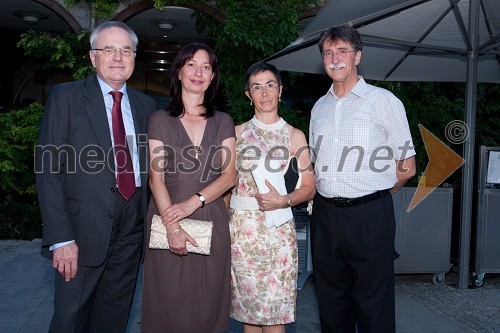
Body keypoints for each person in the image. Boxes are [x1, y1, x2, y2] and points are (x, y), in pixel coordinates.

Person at [35, 21, 156, 333]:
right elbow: (49, 170)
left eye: (125, 50)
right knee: (70, 319)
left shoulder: (145, 105)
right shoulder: (67, 96)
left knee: (114, 316)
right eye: (108, 49)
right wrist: (61, 238)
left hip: (132, 229)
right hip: (81, 229)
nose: (117, 57)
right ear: (92, 57)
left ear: (134, 56)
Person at [309, 25, 417, 333]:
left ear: (358, 56)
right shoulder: (319, 108)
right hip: (326, 217)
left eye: (342, 51)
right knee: (331, 303)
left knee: (374, 306)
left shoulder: (384, 101)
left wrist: (373, 197)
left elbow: (406, 167)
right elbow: (317, 165)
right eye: (328, 52)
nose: (335, 58)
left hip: (370, 216)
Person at [141, 42, 236, 333]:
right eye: (191, 64)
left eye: (206, 67)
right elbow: (155, 178)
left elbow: (229, 176)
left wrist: (193, 203)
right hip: (165, 216)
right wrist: (173, 226)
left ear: (212, 77)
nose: (199, 72)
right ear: (179, 72)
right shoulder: (159, 119)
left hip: (211, 216)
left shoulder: (223, 121)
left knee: (207, 305)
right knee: (167, 304)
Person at [229, 62, 315, 333]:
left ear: (280, 90)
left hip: (278, 233)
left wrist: (284, 200)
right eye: (256, 87)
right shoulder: (236, 133)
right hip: (242, 235)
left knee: (275, 313)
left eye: (270, 85)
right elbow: (224, 183)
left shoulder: (294, 135)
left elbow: (309, 187)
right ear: (248, 94)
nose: (264, 93)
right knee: (249, 312)